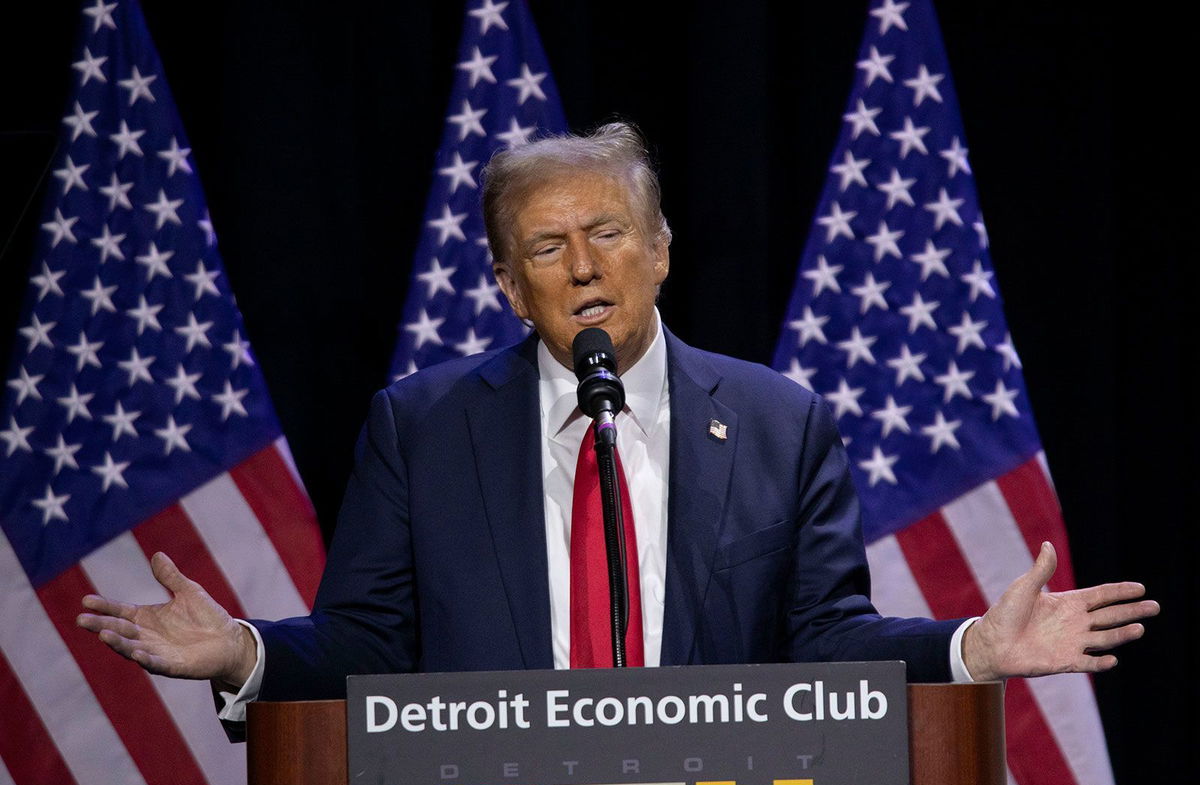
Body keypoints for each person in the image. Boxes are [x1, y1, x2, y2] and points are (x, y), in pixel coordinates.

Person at [76, 123, 1158, 729]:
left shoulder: (782, 422)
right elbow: (368, 642)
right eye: (545, 248)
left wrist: (974, 646)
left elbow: (825, 638)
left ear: (661, 248)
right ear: (508, 284)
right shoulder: (422, 426)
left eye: (606, 231)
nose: (583, 264)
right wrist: (242, 650)